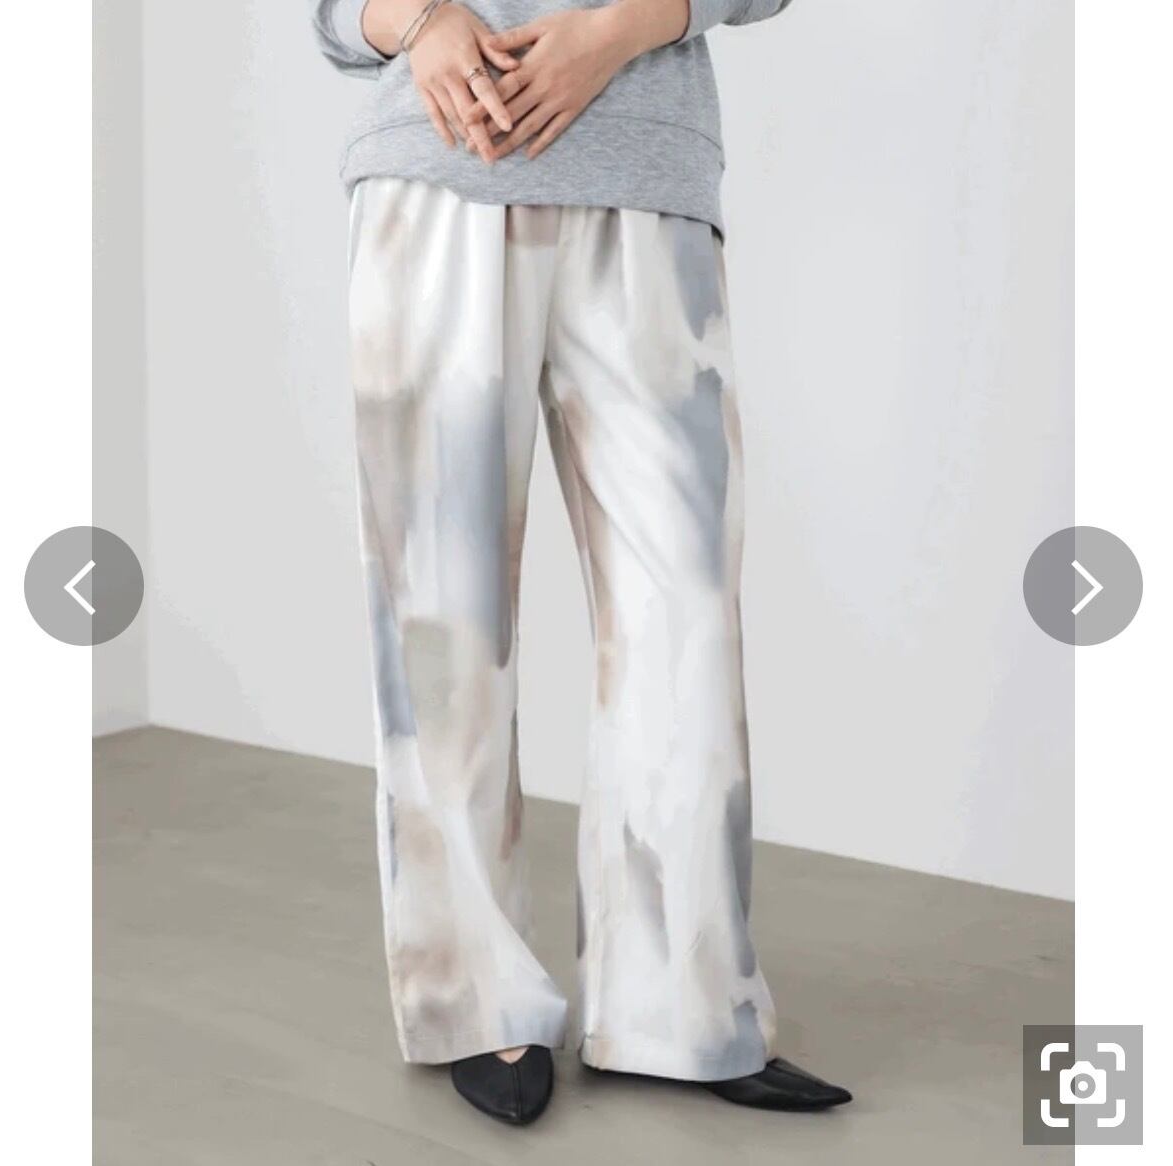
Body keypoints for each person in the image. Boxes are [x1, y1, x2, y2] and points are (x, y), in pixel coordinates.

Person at [312, 0, 852, 1125]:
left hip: (647, 181)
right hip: (436, 170)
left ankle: (680, 1008)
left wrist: (620, 30)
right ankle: (476, 999)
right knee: (441, 620)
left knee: (683, 613)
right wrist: (423, 23)